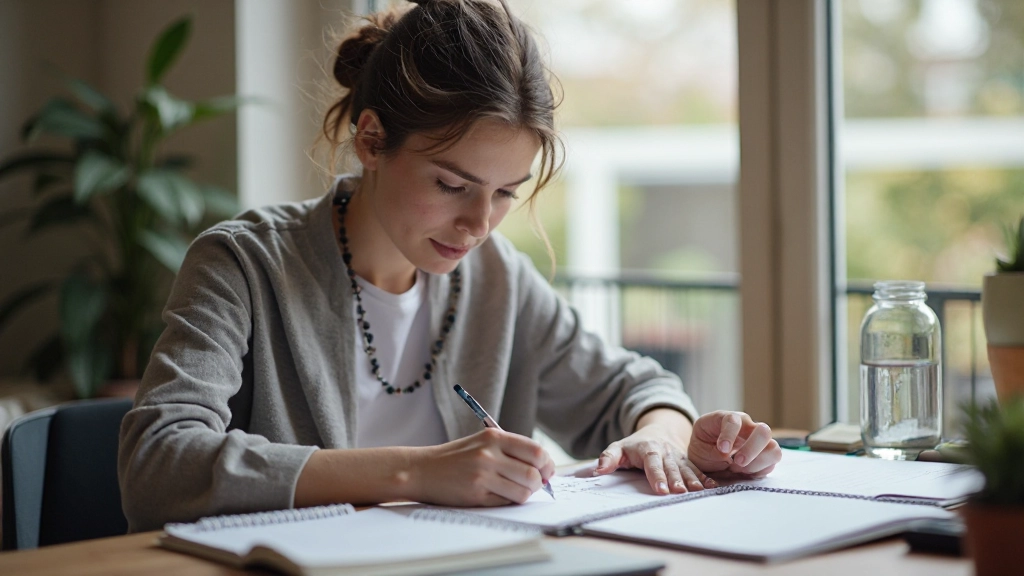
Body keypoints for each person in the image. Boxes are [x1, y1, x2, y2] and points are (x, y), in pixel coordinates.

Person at [118, 0, 782, 533]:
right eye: (451, 184)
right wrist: (417, 472)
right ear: (371, 140)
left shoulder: (497, 279)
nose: (479, 225)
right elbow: (158, 463)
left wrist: (665, 439)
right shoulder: (243, 264)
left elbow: (634, 389)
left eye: (506, 193)